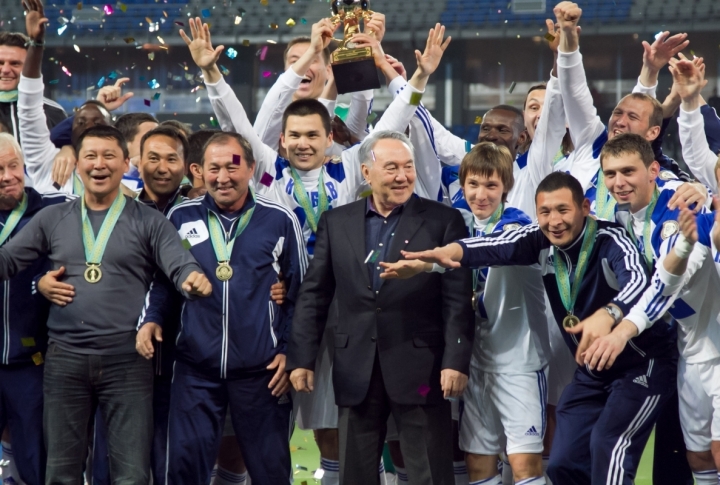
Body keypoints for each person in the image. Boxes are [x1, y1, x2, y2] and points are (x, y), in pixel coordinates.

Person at [0, 26, 213, 471]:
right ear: (75, 164)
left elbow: (175, 260)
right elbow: (9, 261)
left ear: (124, 164)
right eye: (90, 157)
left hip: (128, 361)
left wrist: (191, 277)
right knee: (61, 470)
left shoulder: (147, 219)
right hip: (63, 360)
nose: (99, 164)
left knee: (131, 473)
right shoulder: (52, 216)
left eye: (109, 157)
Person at [401, 171, 676, 485]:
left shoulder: (610, 239)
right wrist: (438, 258)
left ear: (585, 207)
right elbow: (491, 245)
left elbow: (640, 281)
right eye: (545, 212)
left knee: (608, 445)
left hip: (642, 363)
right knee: (561, 464)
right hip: (592, 371)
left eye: (563, 210)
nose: (553, 221)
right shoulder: (537, 239)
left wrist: (609, 314)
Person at [287, 130, 474, 484]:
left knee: (429, 472)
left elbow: (457, 300)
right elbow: (314, 294)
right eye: (391, 167)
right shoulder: (336, 222)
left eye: (408, 166)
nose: (402, 176)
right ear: (366, 173)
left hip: (422, 369)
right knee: (356, 474)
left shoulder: (443, 221)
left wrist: (455, 360)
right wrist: (301, 358)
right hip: (356, 366)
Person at [139, 131, 307, 483]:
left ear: (251, 169)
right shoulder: (181, 218)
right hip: (194, 370)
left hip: (263, 373)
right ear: (199, 171)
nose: (223, 177)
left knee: (271, 472)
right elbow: (163, 281)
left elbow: (302, 294)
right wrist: (151, 318)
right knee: (184, 471)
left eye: (232, 167)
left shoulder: (280, 220)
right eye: (214, 168)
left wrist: (292, 351)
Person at [382, 142, 550, 485]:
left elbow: (491, 251)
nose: (481, 194)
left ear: (507, 186)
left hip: (519, 363)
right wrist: (422, 268)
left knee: (523, 463)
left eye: (491, 185)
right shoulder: (462, 227)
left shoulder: (520, 229)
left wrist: (433, 261)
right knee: (477, 462)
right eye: (472, 184)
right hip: (476, 361)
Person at [588, 133, 720, 485]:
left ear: (654, 171)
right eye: (611, 174)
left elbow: (667, 279)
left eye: (628, 171)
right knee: (699, 457)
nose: (619, 182)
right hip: (690, 349)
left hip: (713, 347)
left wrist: (621, 330)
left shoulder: (683, 211)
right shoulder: (620, 217)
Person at [0, 133, 73, 485]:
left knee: (38, 467)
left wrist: (40, 283)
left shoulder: (51, 214)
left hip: (31, 364)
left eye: (13, 166)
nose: (7, 176)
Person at [253, 15, 384, 152]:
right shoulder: (274, 119)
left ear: (328, 70)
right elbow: (258, 148)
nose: (304, 66)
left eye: (313, 60)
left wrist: (364, 54)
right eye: (295, 62)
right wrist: (312, 52)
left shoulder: (343, 117)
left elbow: (365, 152)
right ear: (287, 72)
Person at [0, 31, 65, 142]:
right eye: (0, 63)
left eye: (15, 63)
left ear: (30, 68)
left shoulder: (54, 113)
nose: (5, 70)